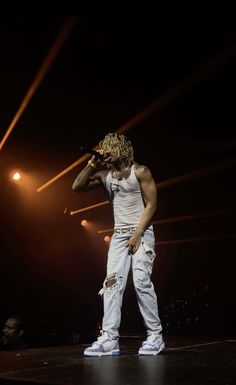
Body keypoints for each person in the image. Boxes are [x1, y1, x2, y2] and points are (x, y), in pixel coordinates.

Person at [72, 133, 164, 356]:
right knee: (111, 285)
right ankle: (109, 338)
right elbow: (77, 186)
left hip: (141, 232)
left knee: (141, 281)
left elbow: (151, 205)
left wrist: (138, 233)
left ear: (120, 149)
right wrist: (92, 162)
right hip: (119, 236)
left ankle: (155, 335)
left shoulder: (140, 171)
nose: (105, 153)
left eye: (109, 149)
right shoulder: (106, 176)